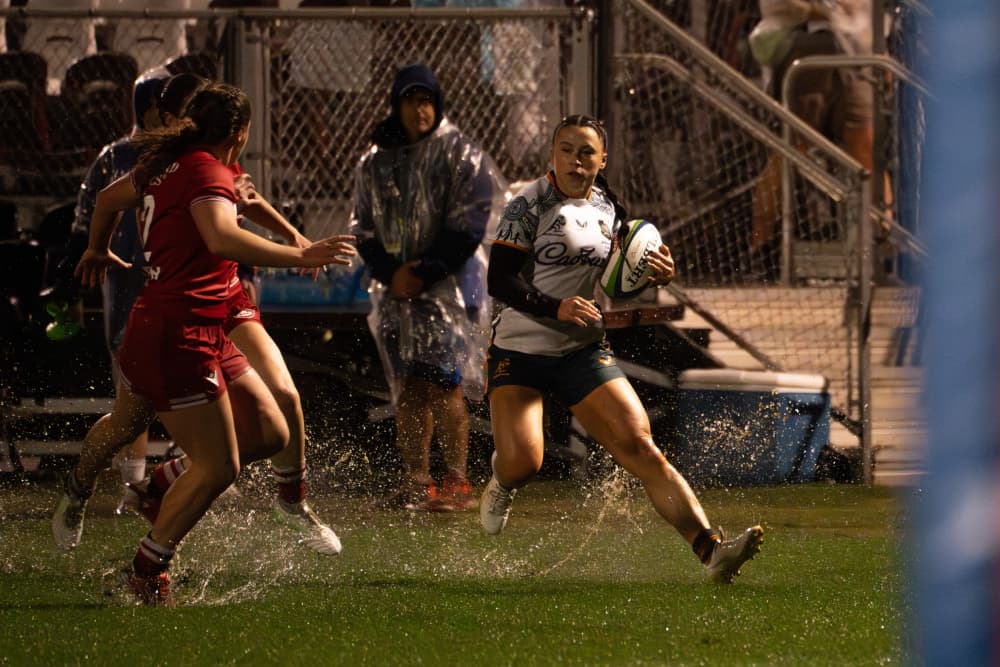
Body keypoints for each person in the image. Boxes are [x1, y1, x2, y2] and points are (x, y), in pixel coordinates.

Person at [66, 82, 355, 605]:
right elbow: (222, 236)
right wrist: (303, 256)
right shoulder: (202, 168)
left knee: (270, 428)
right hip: (178, 330)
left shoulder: (173, 162)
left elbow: (107, 200)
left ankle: (163, 482)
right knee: (216, 464)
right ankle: (144, 570)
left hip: (190, 316)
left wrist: (97, 248)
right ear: (241, 133)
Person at [480, 114, 764, 583]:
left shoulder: (609, 204)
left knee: (642, 446)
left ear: (602, 159)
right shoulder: (527, 204)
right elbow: (500, 280)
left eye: (586, 151)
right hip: (520, 350)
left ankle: (711, 551)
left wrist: (658, 273)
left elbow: (620, 273)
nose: (576, 159)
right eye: (566, 149)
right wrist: (556, 307)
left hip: (581, 349)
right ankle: (502, 480)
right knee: (523, 463)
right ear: (552, 155)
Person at [350, 63, 498, 511]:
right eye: (413, 100)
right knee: (410, 388)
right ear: (397, 105)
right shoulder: (377, 160)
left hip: (448, 290)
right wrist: (390, 273)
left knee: (444, 385)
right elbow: (364, 226)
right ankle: (417, 479)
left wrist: (425, 271)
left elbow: (470, 224)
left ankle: (456, 481)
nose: (422, 109)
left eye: (428, 99)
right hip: (400, 293)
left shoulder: (459, 154)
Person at [58, 67, 170, 514]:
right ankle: (134, 484)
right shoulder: (118, 157)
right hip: (128, 282)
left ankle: (190, 467)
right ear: (151, 111)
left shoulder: (184, 157)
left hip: (170, 280)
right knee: (131, 387)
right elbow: (89, 216)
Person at [749, 0, 881, 264]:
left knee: (864, 143)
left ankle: (879, 244)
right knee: (792, 146)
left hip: (855, 48)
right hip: (805, 43)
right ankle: (759, 246)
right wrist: (828, 9)